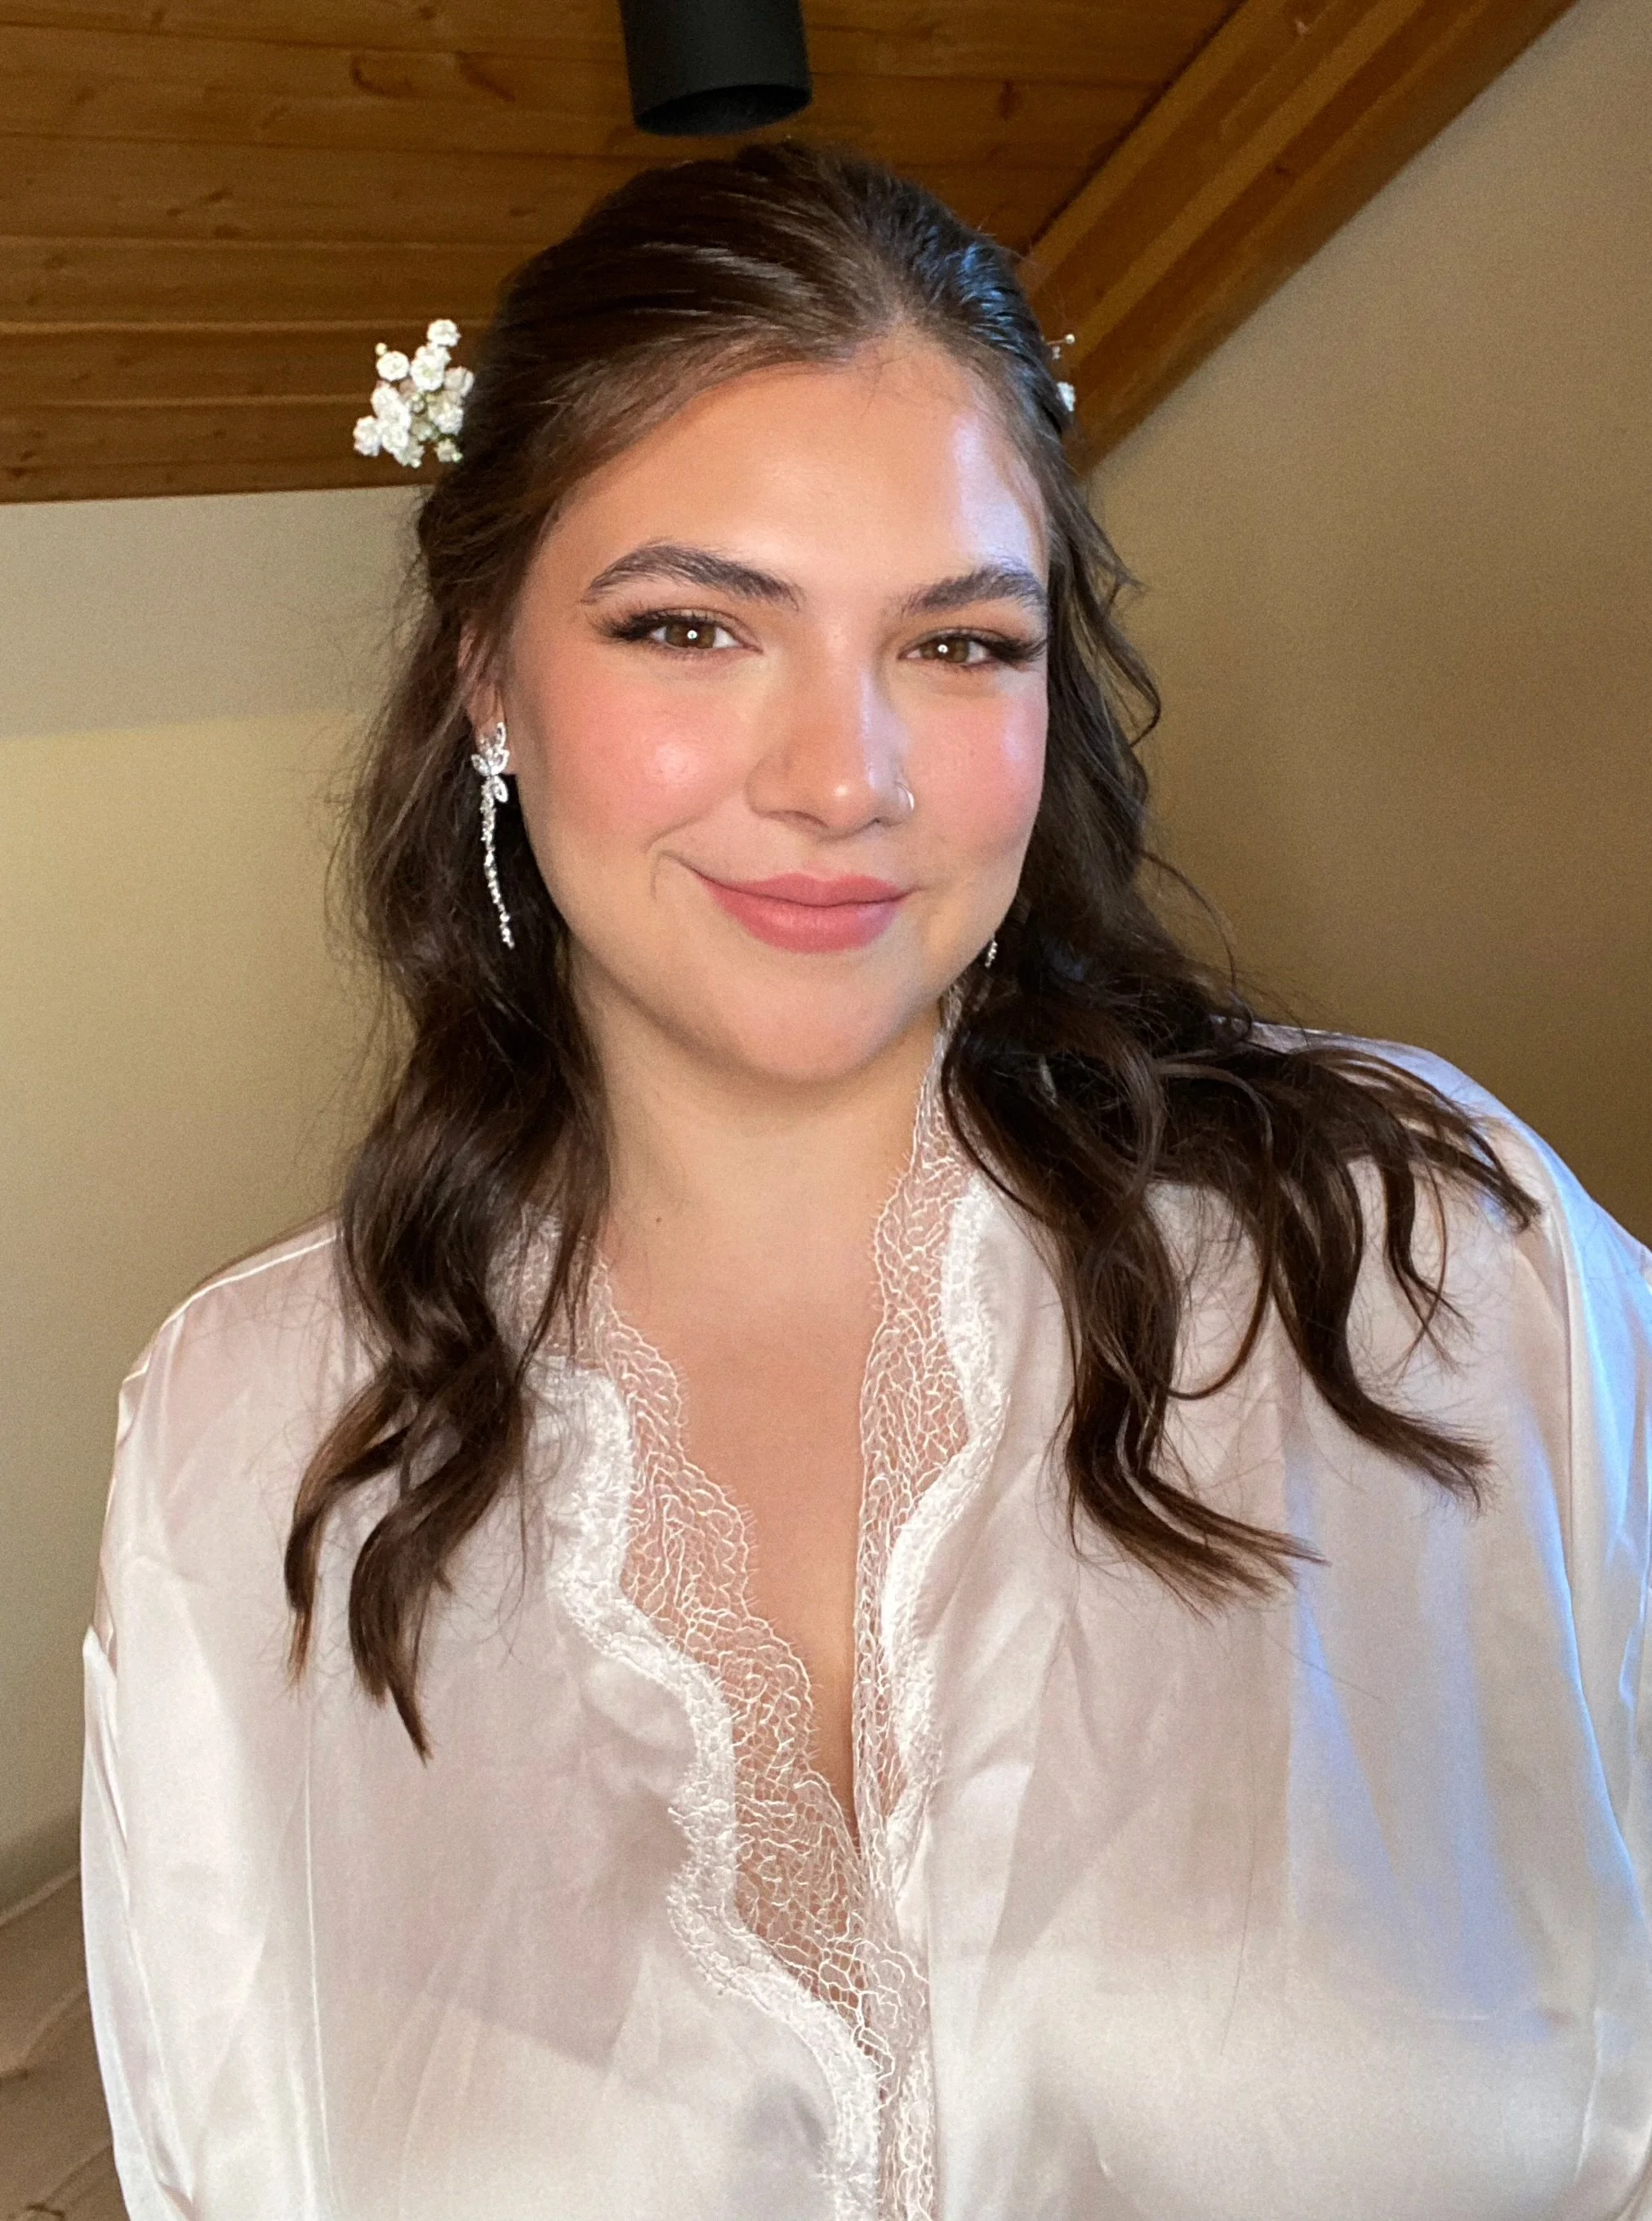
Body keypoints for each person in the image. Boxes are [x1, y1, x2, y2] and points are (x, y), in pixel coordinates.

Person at [82, 145, 1652, 2221]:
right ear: (485, 674)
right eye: (690, 626)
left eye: (960, 644)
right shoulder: (245, 1440)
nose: (846, 780)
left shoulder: (1428, 1260)